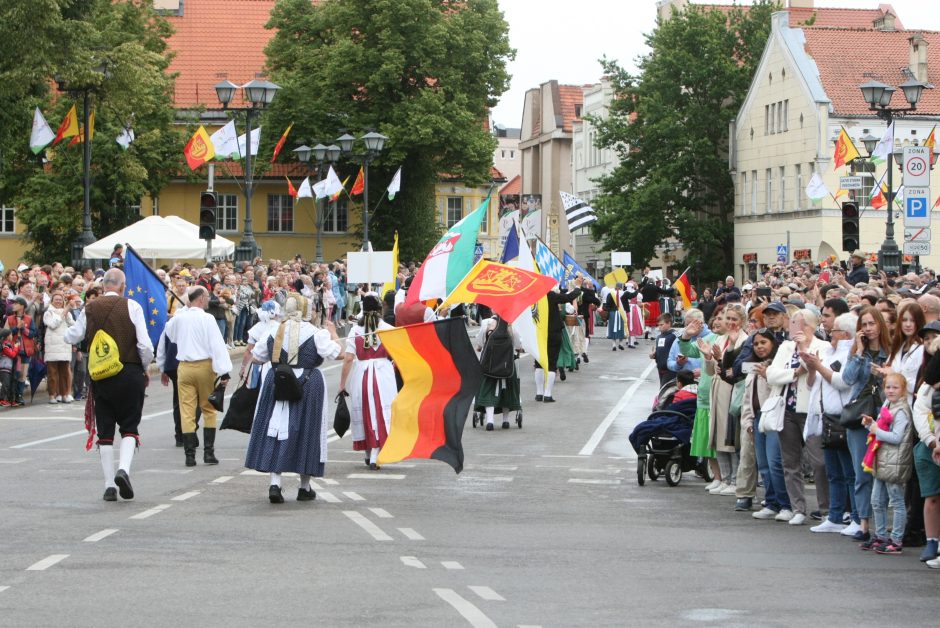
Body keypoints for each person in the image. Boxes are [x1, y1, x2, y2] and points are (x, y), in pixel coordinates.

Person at [244, 294, 345, 503]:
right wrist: (333, 334)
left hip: (278, 379)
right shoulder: (316, 333)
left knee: (275, 427)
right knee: (307, 430)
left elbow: (256, 357)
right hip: (308, 383)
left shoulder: (274, 329)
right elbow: (338, 354)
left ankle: (275, 483)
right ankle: (304, 486)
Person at [64, 268, 153, 502]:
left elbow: (71, 336)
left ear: (104, 287)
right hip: (129, 370)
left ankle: (108, 485)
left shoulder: (91, 307)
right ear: (123, 287)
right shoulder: (132, 307)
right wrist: (144, 367)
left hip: (102, 374)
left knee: (104, 430)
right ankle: (123, 469)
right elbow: (144, 345)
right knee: (129, 426)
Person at [766, 308, 829, 525]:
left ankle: (825, 508)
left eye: (796, 323)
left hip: (811, 410)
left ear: (808, 326)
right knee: (790, 461)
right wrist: (793, 373)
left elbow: (817, 376)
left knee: (818, 461)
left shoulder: (823, 346)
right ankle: (798, 507)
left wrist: (804, 351)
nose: (792, 327)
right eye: (792, 323)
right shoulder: (785, 346)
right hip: (787, 408)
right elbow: (772, 374)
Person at [802, 312, 859, 534]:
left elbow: (843, 382)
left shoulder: (852, 354)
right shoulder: (827, 351)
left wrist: (819, 367)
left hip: (844, 417)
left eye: (834, 330)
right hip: (825, 415)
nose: (830, 333)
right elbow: (812, 383)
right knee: (833, 472)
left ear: (845, 334)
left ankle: (855, 516)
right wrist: (813, 367)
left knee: (849, 473)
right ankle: (834, 515)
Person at [164, 286, 233, 467]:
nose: (209, 299)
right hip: (204, 366)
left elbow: (170, 333)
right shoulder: (207, 318)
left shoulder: (180, 317)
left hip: (185, 367)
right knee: (208, 409)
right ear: (201, 298)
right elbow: (217, 345)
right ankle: (208, 453)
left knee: (187, 411)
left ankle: (189, 455)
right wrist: (224, 370)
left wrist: (184, 310)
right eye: (207, 296)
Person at [839, 305, 892, 542]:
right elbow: (848, 378)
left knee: (885, 473)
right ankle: (863, 523)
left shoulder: (891, 351)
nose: (869, 329)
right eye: (864, 325)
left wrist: (884, 374)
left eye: (872, 324)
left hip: (884, 415)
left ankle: (885, 525)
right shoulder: (858, 351)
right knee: (862, 472)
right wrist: (860, 351)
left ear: (880, 324)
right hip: (860, 416)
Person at [339, 294, 398, 468]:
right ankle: (374, 454)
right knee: (380, 411)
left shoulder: (355, 330)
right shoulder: (387, 328)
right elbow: (396, 354)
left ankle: (368, 453)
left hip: (362, 373)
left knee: (365, 410)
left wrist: (342, 384)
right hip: (383, 375)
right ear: (380, 309)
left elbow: (348, 358)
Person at [861, 372, 914, 553]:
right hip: (882, 459)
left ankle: (896, 540)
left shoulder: (901, 411)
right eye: (888, 387)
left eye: (895, 387)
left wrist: (875, 430)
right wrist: (871, 424)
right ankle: (881, 535)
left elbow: (897, 437)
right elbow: (882, 428)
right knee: (876, 500)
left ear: (903, 390)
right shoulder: (888, 405)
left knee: (896, 500)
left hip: (894, 461)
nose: (890, 390)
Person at [738, 328, 781, 513]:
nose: (759, 347)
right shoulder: (752, 367)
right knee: (763, 464)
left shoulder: (778, 366)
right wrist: (747, 422)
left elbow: (778, 392)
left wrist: (767, 374)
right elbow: (748, 399)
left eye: (763, 343)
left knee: (774, 464)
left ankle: (781, 501)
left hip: (772, 419)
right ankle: (771, 501)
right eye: (756, 344)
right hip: (755, 419)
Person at [474, 313, 522, 431]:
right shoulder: (511, 325)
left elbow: (480, 341)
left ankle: (490, 421)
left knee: (488, 390)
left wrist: (480, 347)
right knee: (507, 391)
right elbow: (518, 344)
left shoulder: (486, 323)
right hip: (507, 366)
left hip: (489, 366)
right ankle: (505, 421)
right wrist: (519, 348)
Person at [42, 291, 75, 404]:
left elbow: (73, 324)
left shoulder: (67, 312)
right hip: (52, 345)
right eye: (56, 299)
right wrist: (64, 312)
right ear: (52, 301)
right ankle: (52, 394)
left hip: (64, 344)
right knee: (52, 372)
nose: (58, 301)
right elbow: (52, 325)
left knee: (65, 371)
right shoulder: (48, 313)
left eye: (60, 300)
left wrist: (69, 311)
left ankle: (64, 393)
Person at [650, 313, 678, 387]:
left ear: (668, 323)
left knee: (665, 391)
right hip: (660, 369)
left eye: (661, 325)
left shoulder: (674, 336)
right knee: (663, 389)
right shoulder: (659, 336)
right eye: (658, 325)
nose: (659, 327)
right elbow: (659, 351)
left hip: (670, 370)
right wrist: (654, 355)